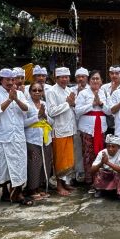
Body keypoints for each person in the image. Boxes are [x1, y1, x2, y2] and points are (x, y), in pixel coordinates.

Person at [0, 68, 31, 212]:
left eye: (13, 80)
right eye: (8, 80)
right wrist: (9, 100)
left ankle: (18, 194)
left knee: (18, 167)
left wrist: (16, 98)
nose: (11, 82)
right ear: (1, 80)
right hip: (0, 138)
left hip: (17, 137)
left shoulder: (20, 93)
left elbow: (27, 109)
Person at [46, 67, 77, 196]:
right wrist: (68, 104)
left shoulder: (69, 90)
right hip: (59, 130)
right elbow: (52, 111)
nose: (65, 79)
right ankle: (59, 185)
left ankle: (65, 183)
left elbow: (72, 106)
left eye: (66, 77)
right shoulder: (51, 91)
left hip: (69, 129)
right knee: (60, 159)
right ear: (56, 78)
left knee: (68, 159)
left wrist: (72, 104)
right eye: (62, 77)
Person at [75, 70, 108, 190]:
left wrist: (101, 104)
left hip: (101, 127)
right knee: (88, 154)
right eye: (93, 79)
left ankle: (99, 180)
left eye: (97, 79)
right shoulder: (83, 93)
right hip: (87, 128)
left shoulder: (104, 92)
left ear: (101, 81)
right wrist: (92, 105)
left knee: (100, 153)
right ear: (89, 81)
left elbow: (109, 111)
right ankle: (90, 180)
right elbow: (77, 111)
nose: (95, 81)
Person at [24, 83, 53, 200]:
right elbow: (23, 123)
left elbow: (52, 122)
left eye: (39, 90)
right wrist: (37, 117)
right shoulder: (26, 105)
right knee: (34, 163)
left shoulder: (45, 104)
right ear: (30, 92)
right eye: (34, 90)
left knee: (45, 163)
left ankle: (40, 187)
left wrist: (44, 115)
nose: (37, 92)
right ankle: (32, 189)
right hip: (32, 138)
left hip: (45, 138)